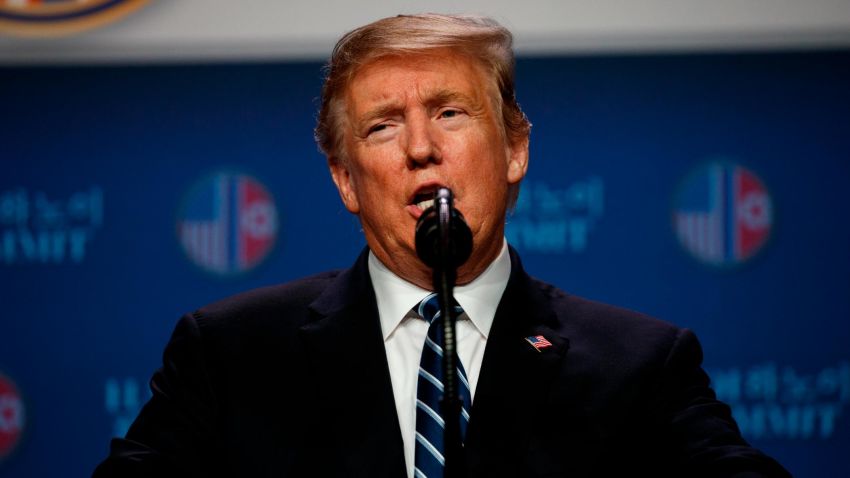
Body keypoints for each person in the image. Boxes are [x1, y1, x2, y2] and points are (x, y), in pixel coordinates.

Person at [93, 13, 790, 478]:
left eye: (450, 113)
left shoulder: (642, 367)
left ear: (515, 148)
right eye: (383, 127)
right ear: (345, 180)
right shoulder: (230, 355)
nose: (422, 149)